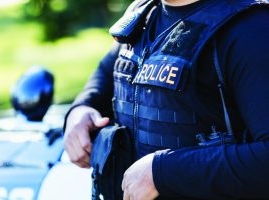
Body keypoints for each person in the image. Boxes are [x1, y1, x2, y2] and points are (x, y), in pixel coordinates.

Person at [63, 0, 269, 199]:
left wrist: (162, 173)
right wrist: (80, 110)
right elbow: (108, 75)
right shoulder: (144, 13)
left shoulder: (251, 29)